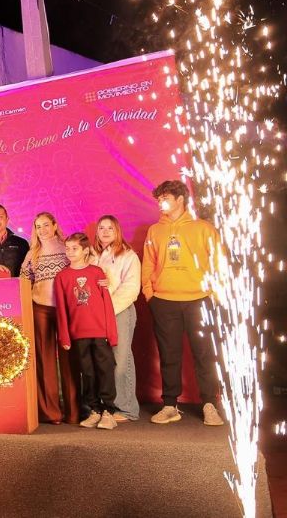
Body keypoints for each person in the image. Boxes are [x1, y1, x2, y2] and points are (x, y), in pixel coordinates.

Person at [142, 180, 224, 426]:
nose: (160, 203)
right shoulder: (155, 231)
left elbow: (218, 263)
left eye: (165, 198)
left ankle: (209, 404)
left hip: (199, 300)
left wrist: (214, 295)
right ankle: (170, 405)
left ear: (180, 199)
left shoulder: (203, 228)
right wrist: (149, 293)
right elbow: (148, 262)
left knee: (204, 354)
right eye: (159, 199)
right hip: (164, 301)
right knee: (169, 355)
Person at [55, 233, 119, 430]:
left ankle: (108, 411)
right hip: (78, 332)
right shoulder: (62, 276)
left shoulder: (96, 272)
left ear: (85, 251)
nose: (70, 252)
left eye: (74, 248)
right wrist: (65, 336)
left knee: (105, 369)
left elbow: (107, 304)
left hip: (100, 331)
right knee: (88, 372)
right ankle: (94, 410)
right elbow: (61, 309)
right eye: (67, 248)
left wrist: (111, 333)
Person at [20, 212, 78, 424]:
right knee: (45, 360)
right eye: (38, 226)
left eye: (46, 225)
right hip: (41, 309)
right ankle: (51, 412)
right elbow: (24, 283)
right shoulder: (32, 254)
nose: (42, 230)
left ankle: (73, 412)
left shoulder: (67, 249)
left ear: (54, 225)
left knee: (69, 359)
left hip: (65, 309)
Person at [92, 215, 141, 422]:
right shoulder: (91, 255)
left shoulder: (128, 255)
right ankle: (105, 405)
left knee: (121, 359)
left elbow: (131, 288)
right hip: (96, 314)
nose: (105, 232)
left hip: (120, 311)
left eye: (109, 228)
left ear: (117, 231)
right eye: (101, 228)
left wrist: (109, 308)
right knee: (102, 360)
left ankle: (127, 408)